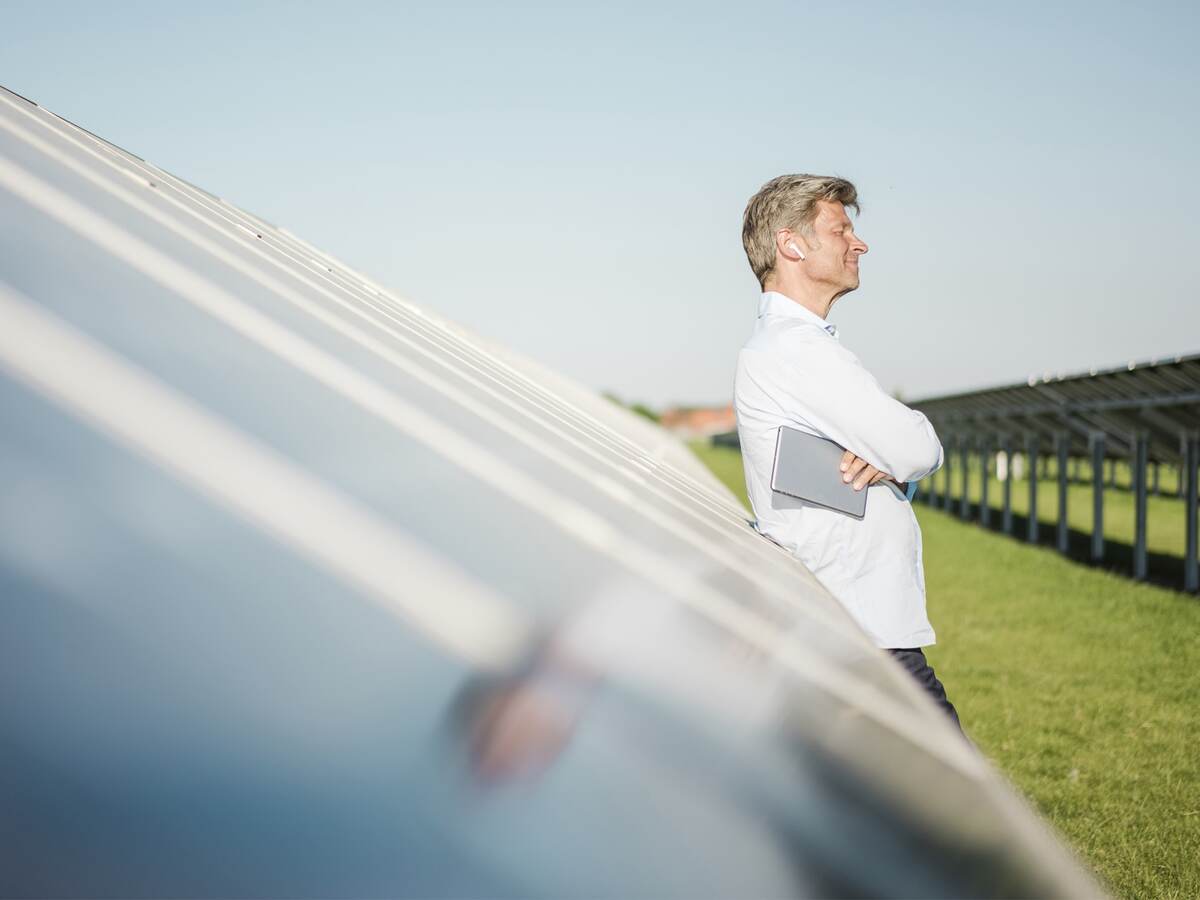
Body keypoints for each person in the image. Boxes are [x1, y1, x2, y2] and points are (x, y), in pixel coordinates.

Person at [733, 173, 961, 729]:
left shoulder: (796, 348)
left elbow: (898, 458)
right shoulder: (796, 350)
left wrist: (892, 464)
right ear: (791, 245)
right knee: (950, 802)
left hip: (851, 628)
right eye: (841, 230)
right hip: (857, 635)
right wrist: (901, 458)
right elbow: (915, 446)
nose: (859, 244)